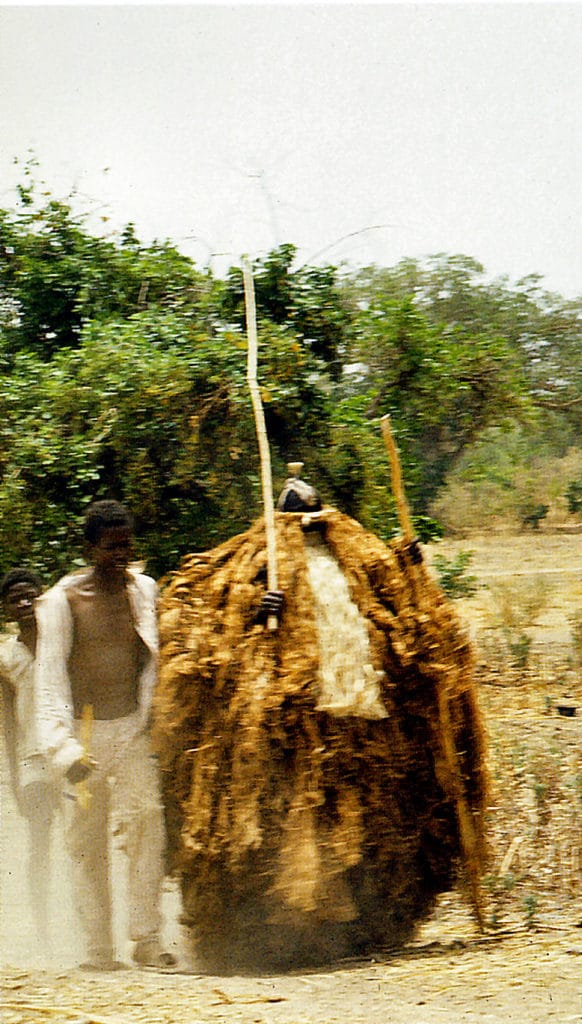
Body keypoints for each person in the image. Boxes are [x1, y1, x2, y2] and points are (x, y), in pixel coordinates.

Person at [34, 500, 176, 971]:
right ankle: (98, 947)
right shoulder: (63, 602)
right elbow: (50, 679)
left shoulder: (145, 591)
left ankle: (147, 939)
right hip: (83, 734)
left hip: (132, 729)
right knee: (86, 841)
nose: (121, 553)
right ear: (90, 547)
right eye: (111, 546)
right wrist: (64, 749)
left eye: (127, 544)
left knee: (147, 826)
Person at [0, 568, 59, 952]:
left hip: (69, 749)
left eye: (30, 596)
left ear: (42, 597)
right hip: (31, 755)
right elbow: (7, 719)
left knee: (80, 839)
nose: (24, 603)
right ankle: (44, 929)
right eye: (15, 598)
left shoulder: (61, 639)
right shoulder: (5, 656)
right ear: (4, 607)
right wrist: (14, 775)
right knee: (41, 840)